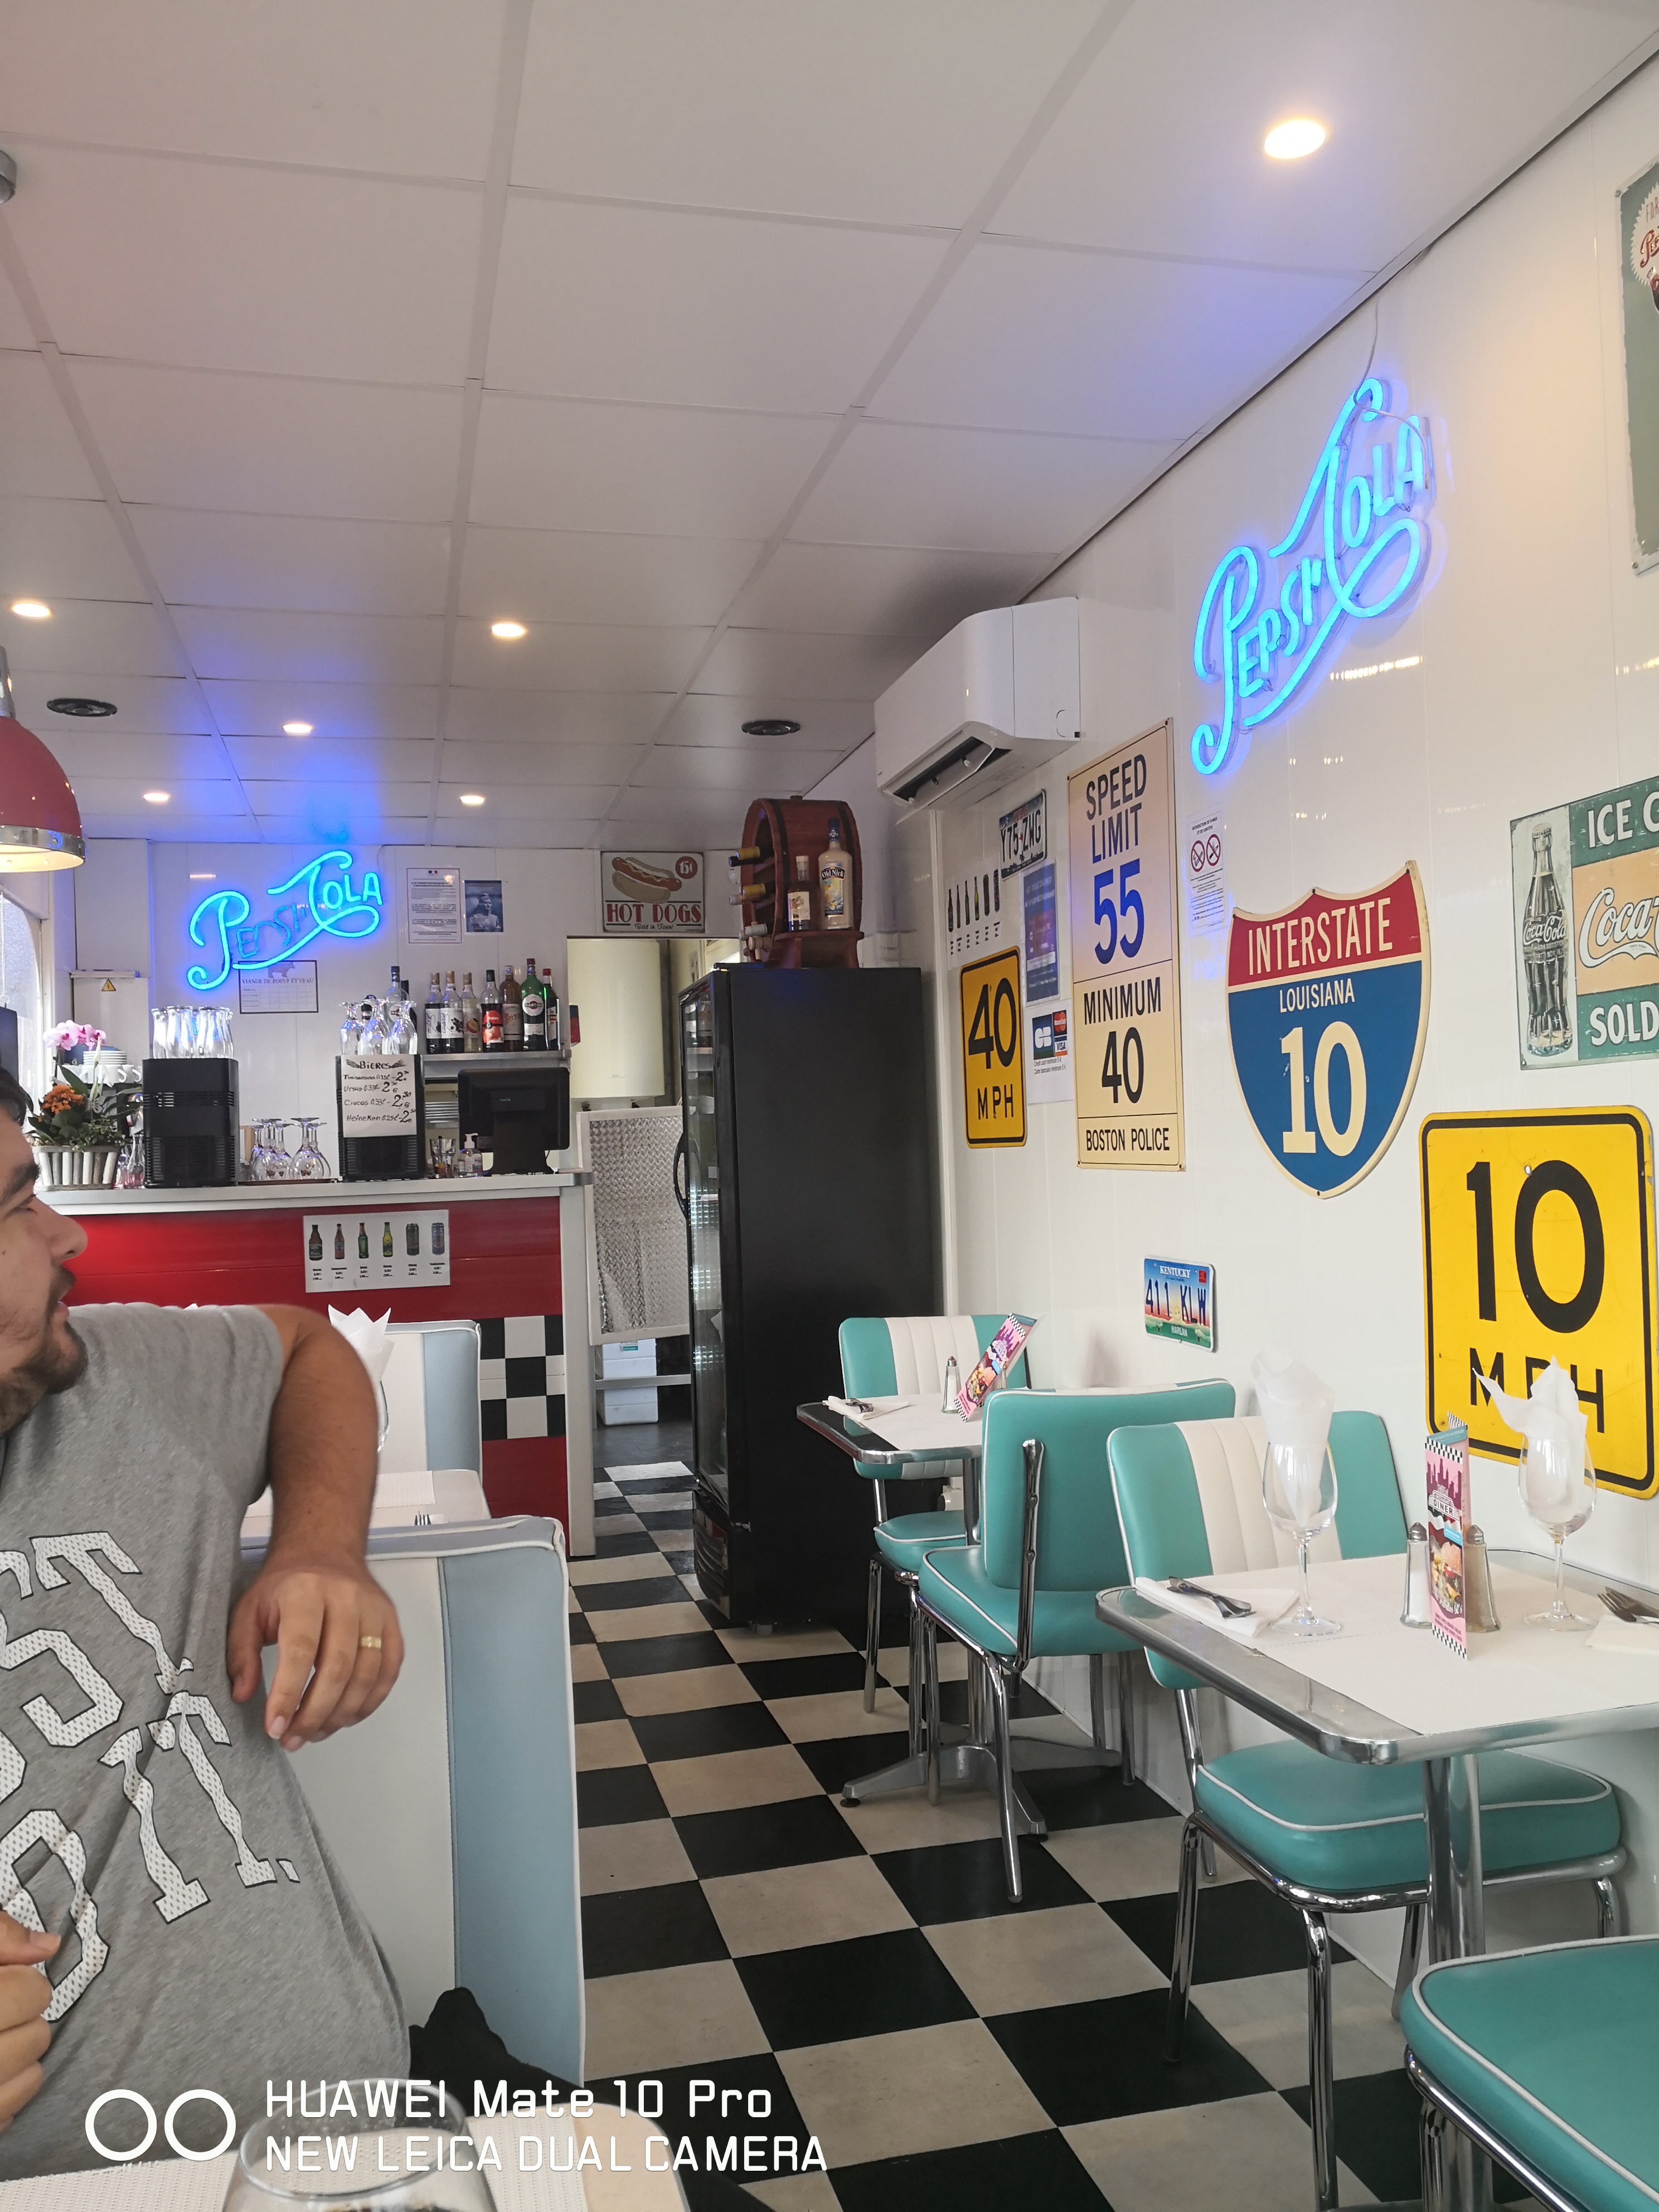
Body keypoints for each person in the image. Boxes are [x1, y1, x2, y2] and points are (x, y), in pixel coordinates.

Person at [0, 1069, 407, 2173]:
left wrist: (321, 1545)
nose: (70, 1233)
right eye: (17, 1207)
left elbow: (307, 1351)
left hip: (364, 2148)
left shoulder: (112, 1384)